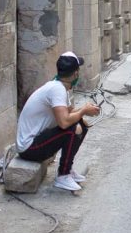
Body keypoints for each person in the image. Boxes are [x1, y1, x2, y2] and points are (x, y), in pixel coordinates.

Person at [16, 52, 101, 191]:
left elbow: (69, 112)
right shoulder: (57, 89)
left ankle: (68, 169)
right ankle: (63, 175)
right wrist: (83, 111)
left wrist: (84, 112)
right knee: (73, 129)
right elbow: (64, 123)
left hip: (35, 142)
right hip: (29, 148)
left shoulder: (58, 86)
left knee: (81, 125)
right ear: (75, 74)